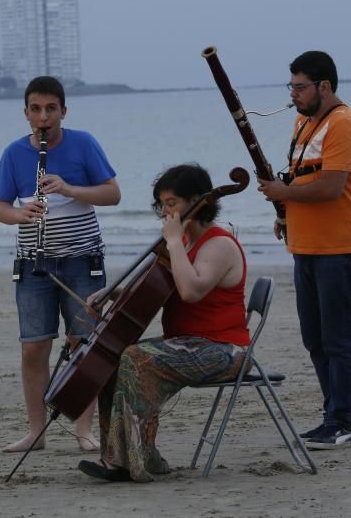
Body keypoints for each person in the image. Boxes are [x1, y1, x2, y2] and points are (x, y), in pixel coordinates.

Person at [77, 163, 249, 483]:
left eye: (172, 204)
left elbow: (190, 290)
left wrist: (172, 243)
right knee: (114, 357)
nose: (165, 213)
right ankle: (137, 454)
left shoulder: (218, 245)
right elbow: (154, 291)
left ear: (199, 201)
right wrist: (111, 293)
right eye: (162, 205)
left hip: (224, 350)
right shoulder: (184, 246)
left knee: (136, 357)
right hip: (188, 345)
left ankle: (126, 461)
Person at [0, 75, 121, 454]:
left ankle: (83, 428)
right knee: (33, 347)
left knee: (85, 344)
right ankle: (36, 431)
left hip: (83, 261)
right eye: (36, 109)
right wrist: (20, 213)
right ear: (26, 113)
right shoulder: (14, 153)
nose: (43, 117)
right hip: (34, 265)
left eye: (51, 109)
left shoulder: (83, 143)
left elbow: (112, 193)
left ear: (63, 110)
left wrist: (68, 189)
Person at [257, 50, 351, 450]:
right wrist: (285, 211)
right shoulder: (304, 121)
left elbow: (331, 187)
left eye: (300, 87)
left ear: (325, 86)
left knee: (339, 339)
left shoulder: (345, 124)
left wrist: (284, 192)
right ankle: (332, 416)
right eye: (291, 86)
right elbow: (303, 177)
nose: (293, 94)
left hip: (340, 245)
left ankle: (344, 420)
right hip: (305, 244)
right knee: (316, 338)